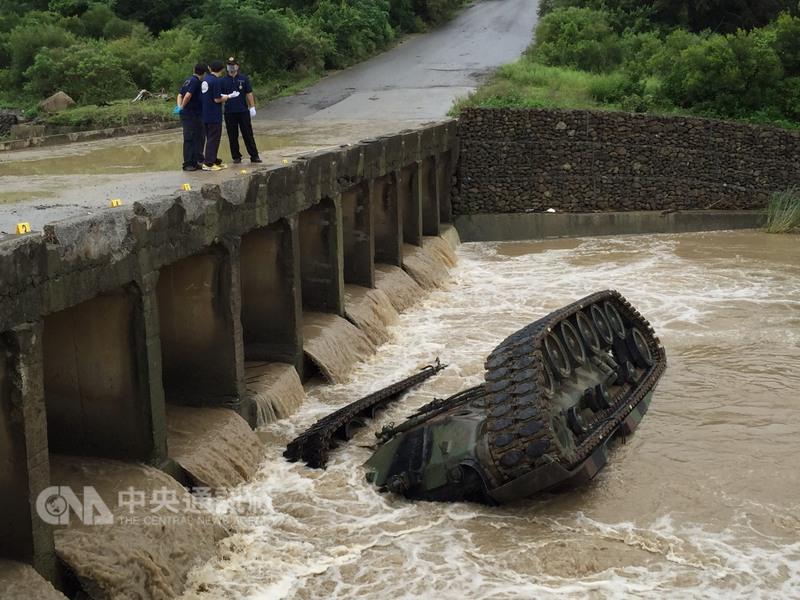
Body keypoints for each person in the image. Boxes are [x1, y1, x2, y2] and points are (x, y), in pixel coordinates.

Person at [200, 59, 240, 172]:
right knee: (214, 139)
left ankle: (213, 160)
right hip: (214, 114)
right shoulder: (216, 81)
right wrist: (229, 97)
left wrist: (225, 95)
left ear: (209, 68)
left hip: (206, 114)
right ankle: (208, 163)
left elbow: (211, 94)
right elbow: (217, 99)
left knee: (210, 138)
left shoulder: (206, 79)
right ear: (222, 70)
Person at [221, 57, 261, 164]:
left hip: (243, 110)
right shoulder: (223, 80)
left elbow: (249, 93)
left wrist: (252, 107)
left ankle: (254, 155)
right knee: (232, 136)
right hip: (229, 112)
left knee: (248, 133)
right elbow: (219, 96)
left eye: (233, 65)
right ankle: (236, 157)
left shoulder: (243, 78)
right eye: (229, 65)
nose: (231, 67)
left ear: (237, 66)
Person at [176, 64, 206, 171]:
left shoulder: (187, 80)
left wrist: (179, 107)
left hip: (190, 113)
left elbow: (180, 95)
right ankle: (188, 163)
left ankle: (196, 160)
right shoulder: (195, 81)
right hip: (192, 114)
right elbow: (188, 95)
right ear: (204, 73)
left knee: (198, 136)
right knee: (190, 137)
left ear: (194, 70)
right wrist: (183, 107)